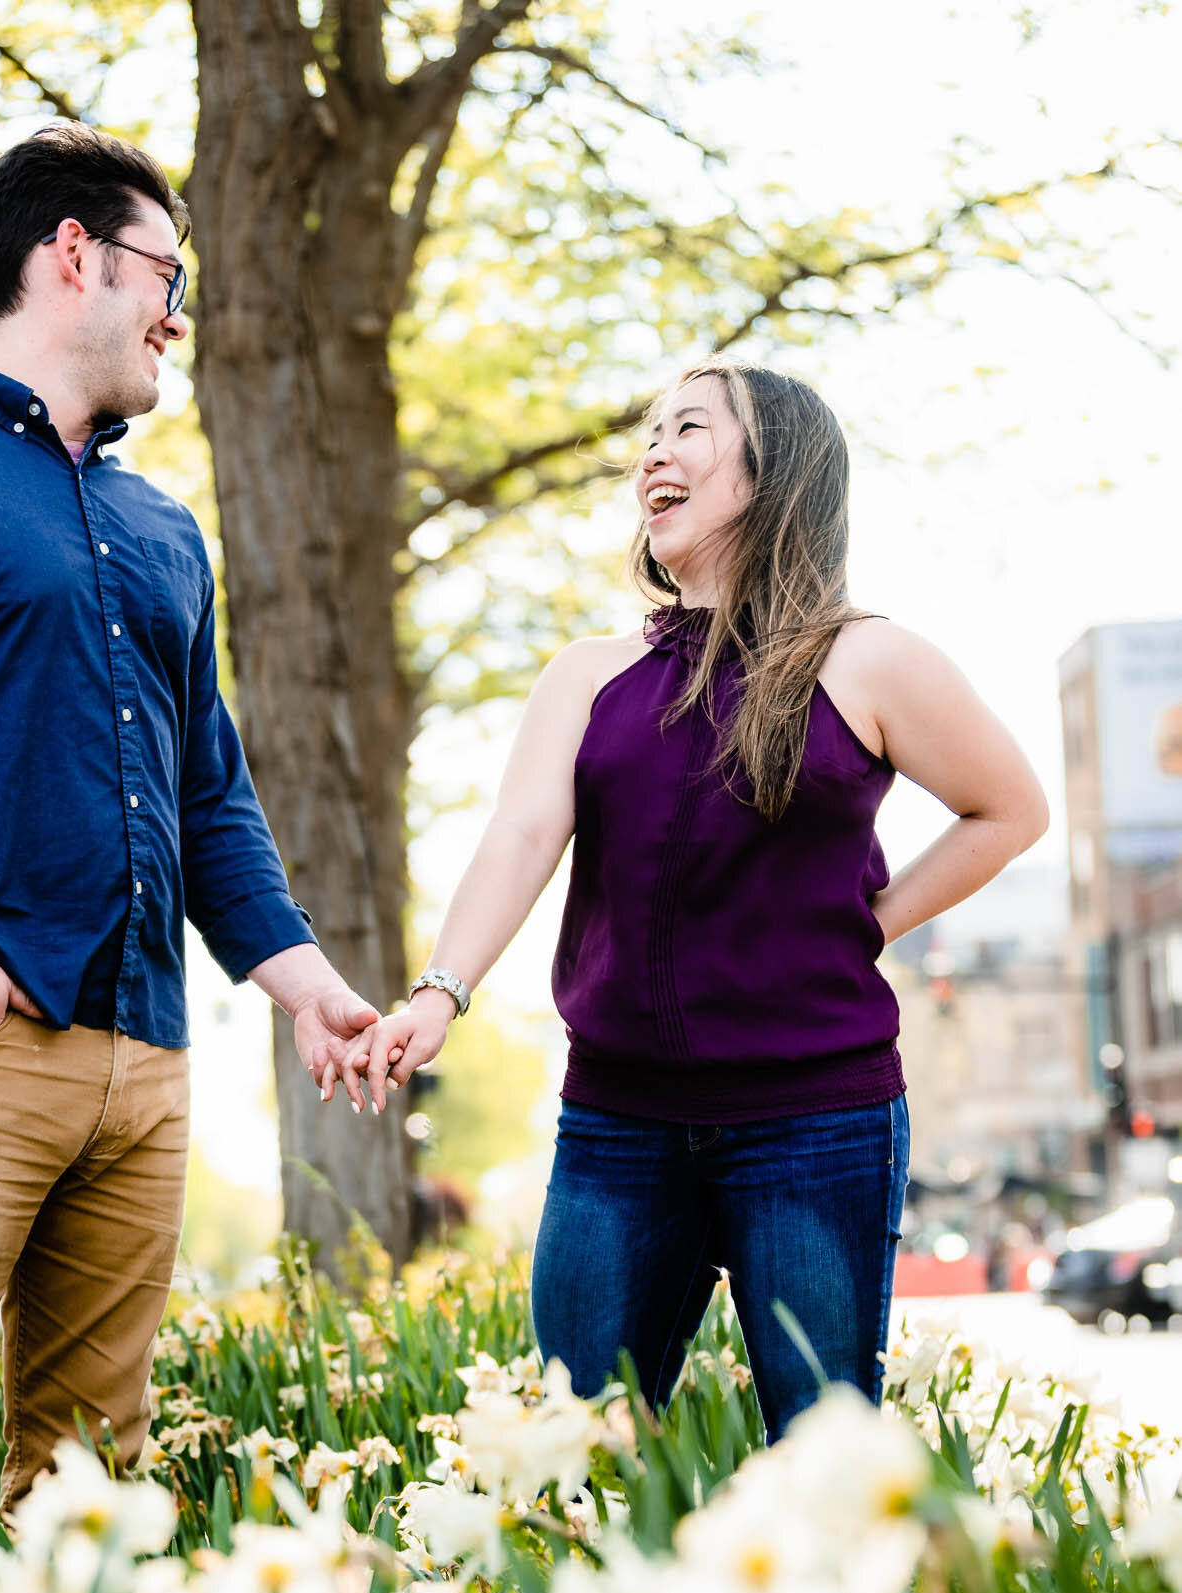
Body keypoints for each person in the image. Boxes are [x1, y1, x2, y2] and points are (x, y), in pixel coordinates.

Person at [0, 123, 375, 1520]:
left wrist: (305, 989)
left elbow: (207, 793)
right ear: (72, 255)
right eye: (168, 274)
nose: (176, 315)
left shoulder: (164, 530)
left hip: (141, 1061)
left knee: (93, 1493)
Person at [347, 362, 1048, 1437]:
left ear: (773, 469)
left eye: (687, 429)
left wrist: (869, 924)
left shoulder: (867, 660)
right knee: (561, 1449)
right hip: (616, 1124)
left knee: (822, 1454)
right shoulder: (586, 674)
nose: (652, 454)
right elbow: (521, 835)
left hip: (814, 1120)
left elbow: (1007, 809)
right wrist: (436, 994)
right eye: (647, 437)